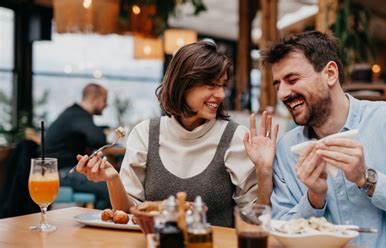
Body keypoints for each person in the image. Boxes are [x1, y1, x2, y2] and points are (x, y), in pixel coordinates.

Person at [259, 31, 386, 247]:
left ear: (330, 73)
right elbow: (280, 232)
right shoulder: (287, 149)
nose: (282, 94)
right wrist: (314, 199)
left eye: (292, 79)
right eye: (278, 85)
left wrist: (368, 179)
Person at [74, 41, 277, 227]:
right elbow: (127, 214)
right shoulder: (145, 133)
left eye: (223, 85)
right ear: (183, 84)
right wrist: (113, 179)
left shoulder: (235, 137)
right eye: (211, 85)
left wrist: (263, 172)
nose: (221, 95)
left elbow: (254, 218)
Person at [45, 83, 111, 209]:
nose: (106, 105)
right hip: (62, 173)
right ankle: (98, 225)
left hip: (62, 170)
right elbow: (98, 138)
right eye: (104, 100)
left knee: (110, 183)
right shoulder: (79, 115)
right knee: (109, 188)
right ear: (94, 98)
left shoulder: (74, 113)